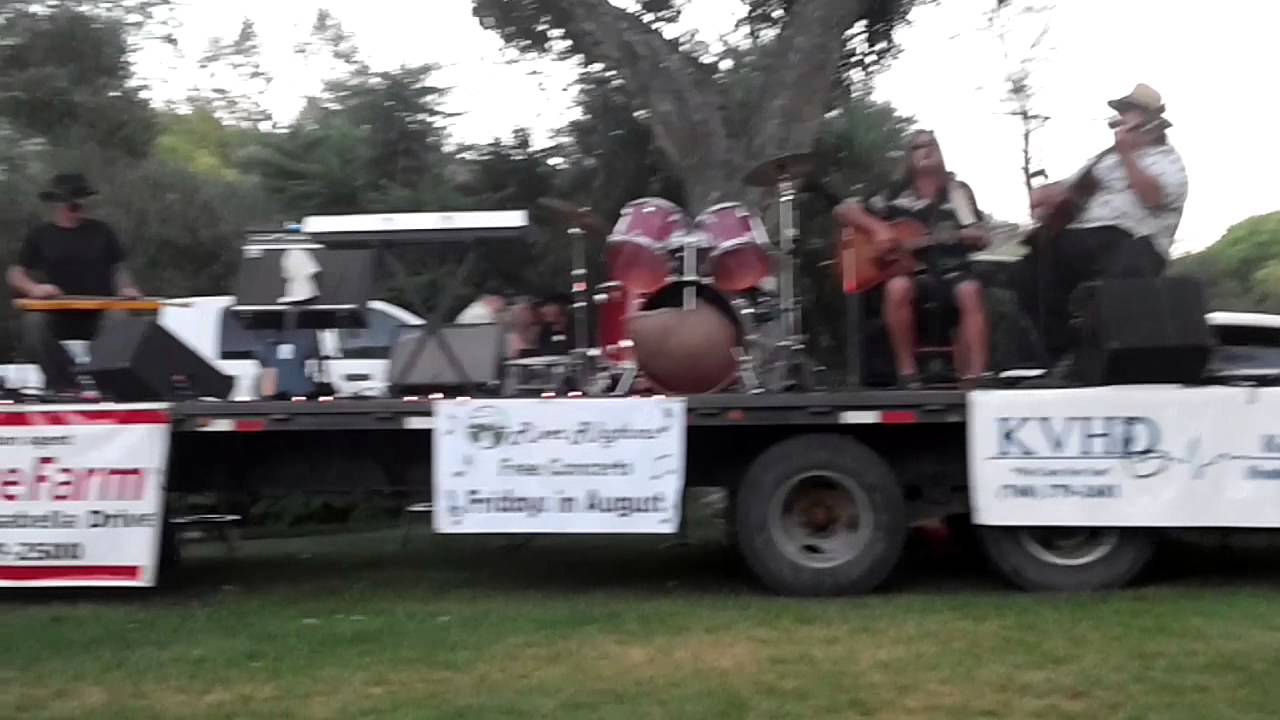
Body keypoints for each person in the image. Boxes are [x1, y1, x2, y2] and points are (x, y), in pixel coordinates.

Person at [1016, 83, 1188, 367]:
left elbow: (1154, 198)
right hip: (1086, 239)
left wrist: (1128, 155)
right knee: (1028, 271)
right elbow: (1069, 188)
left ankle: (1115, 358)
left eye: (1128, 111)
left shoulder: (1167, 160)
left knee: (1124, 263)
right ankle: (1060, 355)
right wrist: (1046, 195)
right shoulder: (1104, 160)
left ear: (1151, 121)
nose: (1122, 117)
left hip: (1137, 242)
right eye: (1121, 111)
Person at [834, 130, 991, 389]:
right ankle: (908, 374)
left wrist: (970, 235)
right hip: (908, 273)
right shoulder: (892, 193)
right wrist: (878, 229)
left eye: (932, 144)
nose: (927, 149)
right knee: (898, 287)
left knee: (970, 290)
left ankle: (977, 377)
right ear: (909, 156)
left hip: (951, 270)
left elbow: (980, 235)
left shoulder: (958, 192)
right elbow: (843, 211)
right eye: (919, 146)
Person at [6, 173, 142, 392]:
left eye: (83, 201)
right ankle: (65, 382)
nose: (80, 208)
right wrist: (34, 288)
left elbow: (118, 268)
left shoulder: (102, 231)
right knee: (33, 323)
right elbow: (15, 273)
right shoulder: (40, 234)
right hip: (58, 312)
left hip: (99, 313)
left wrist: (127, 288)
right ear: (58, 204)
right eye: (74, 204)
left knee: (120, 317)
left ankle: (105, 382)